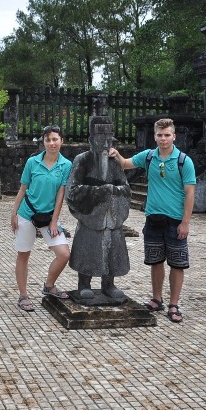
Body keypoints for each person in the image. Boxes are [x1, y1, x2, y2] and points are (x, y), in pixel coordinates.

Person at [111, 118, 195, 323]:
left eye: (167, 135)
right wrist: (114, 153)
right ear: (154, 136)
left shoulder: (184, 161)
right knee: (155, 261)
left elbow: (190, 192)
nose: (163, 139)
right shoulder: (148, 156)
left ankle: (174, 304)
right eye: (160, 135)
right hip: (153, 218)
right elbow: (125, 164)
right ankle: (157, 299)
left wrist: (186, 222)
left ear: (174, 136)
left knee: (177, 264)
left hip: (175, 220)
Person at [65, 116, 131, 301]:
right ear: (91, 139)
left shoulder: (114, 161)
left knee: (112, 249)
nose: (105, 143)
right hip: (91, 214)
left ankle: (109, 284)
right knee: (89, 248)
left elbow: (126, 188)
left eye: (108, 139)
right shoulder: (83, 159)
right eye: (101, 139)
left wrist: (115, 190)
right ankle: (84, 283)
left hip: (111, 214)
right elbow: (72, 190)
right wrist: (98, 191)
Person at [11, 125, 72, 313]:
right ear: (43, 142)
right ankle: (23, 295)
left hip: (49, 216)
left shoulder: (66, 165)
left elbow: (61, 194)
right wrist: (13, 214)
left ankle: (49, 285)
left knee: (63, 254)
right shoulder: (33, 162)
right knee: (24, 254)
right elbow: (23, 189)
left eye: (55, 139)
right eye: (48, 140)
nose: (52, 143)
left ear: (62, 141)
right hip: (26, 213)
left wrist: (54, 221)